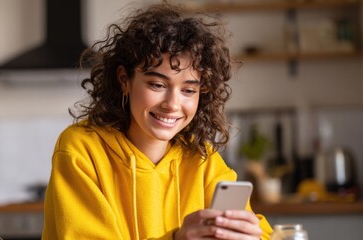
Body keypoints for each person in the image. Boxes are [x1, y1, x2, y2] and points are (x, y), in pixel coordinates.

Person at [42, 2, 272, 240]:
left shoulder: (202, 158)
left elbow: (264, 233)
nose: (172, 104)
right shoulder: (81, 149)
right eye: (158, 85)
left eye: (189, 91)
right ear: (124, 80)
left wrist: (250, 236)